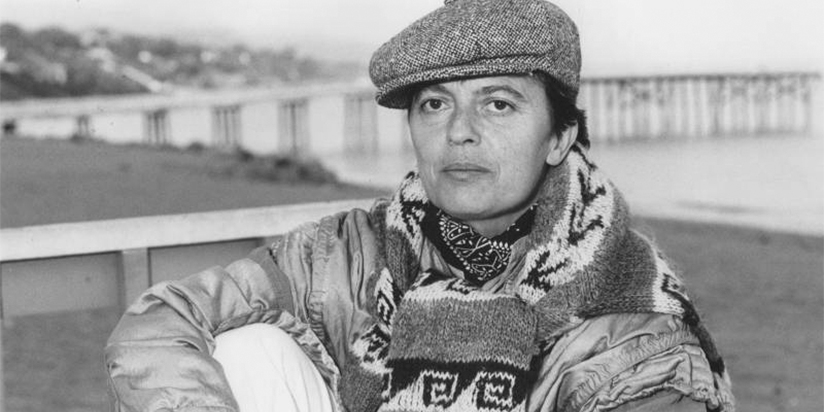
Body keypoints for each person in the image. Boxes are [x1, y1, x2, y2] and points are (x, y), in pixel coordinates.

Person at [106, 0, 736, 411]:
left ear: (560, 137)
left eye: (499, 104)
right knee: (244, 347)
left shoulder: (633, 323)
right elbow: (162, 317)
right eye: (434, 104)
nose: (459, 132)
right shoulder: (353, 250)